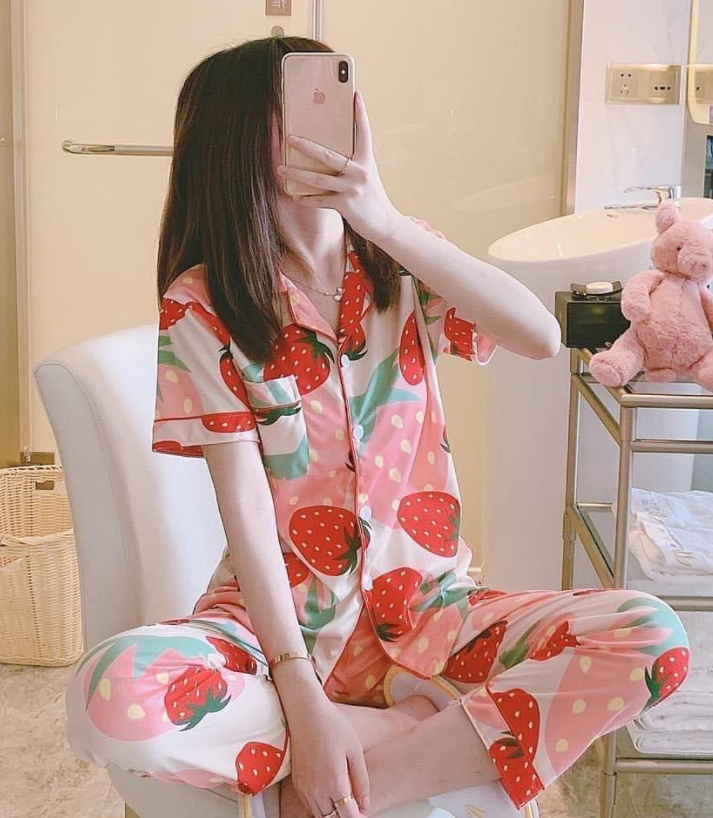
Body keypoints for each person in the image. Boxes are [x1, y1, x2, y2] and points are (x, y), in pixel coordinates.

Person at [65, 36, 691, 818]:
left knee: (650, 637)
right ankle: (408, 729)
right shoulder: (204, 301)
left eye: (335, 99)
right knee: (110, 696)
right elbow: (245, 505)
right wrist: (301, 694)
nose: (327, 121)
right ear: (235, 142)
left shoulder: (399, 260)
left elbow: (536, 335)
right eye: (294, 106)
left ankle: (328, 794)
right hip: (273, 630)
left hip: (434, 615)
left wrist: (385, 220)